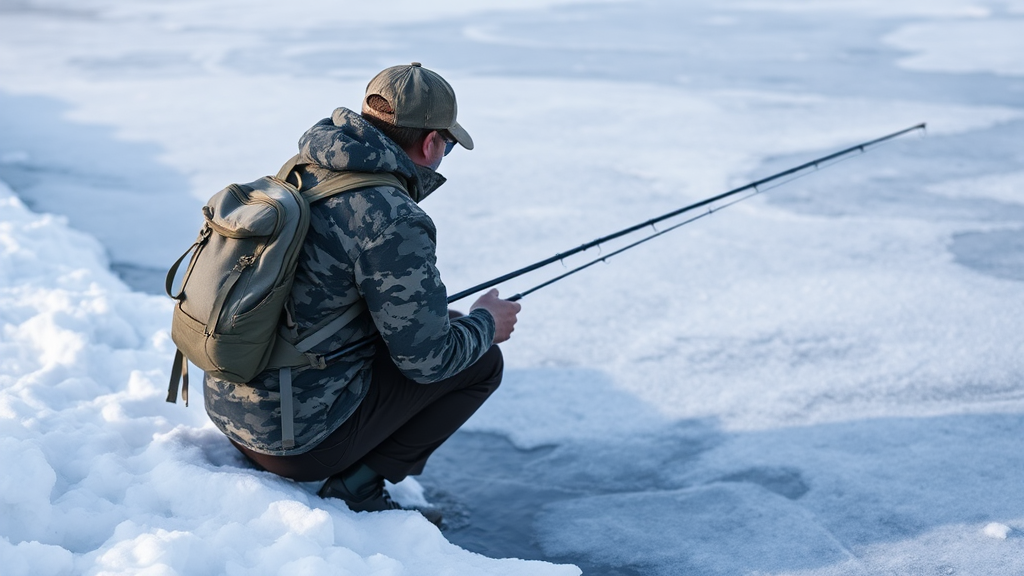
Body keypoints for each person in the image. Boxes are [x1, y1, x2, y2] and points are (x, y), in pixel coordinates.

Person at [202, 62, 521, 522]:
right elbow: (429, 362)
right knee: (481, 357)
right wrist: (488, 322)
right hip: (292, 444)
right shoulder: (393, 217)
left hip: (230, 406)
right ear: (431, 142)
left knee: (446, 324)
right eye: (448, 145)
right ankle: (358, 486)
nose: (443, 152)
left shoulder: (304, 168)